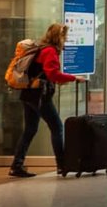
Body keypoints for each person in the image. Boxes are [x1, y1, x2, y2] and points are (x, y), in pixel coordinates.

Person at [10, 23, 77, 178]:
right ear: (59, 37)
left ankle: (16, 165)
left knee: (30, 129)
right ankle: (62, 165)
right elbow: (53, 74)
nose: (66, 40)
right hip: (39, 96)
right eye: (64, 37)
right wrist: (74, 78)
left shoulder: (41, 48)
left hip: (28, 94)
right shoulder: (50, 52)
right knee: (57, 127)